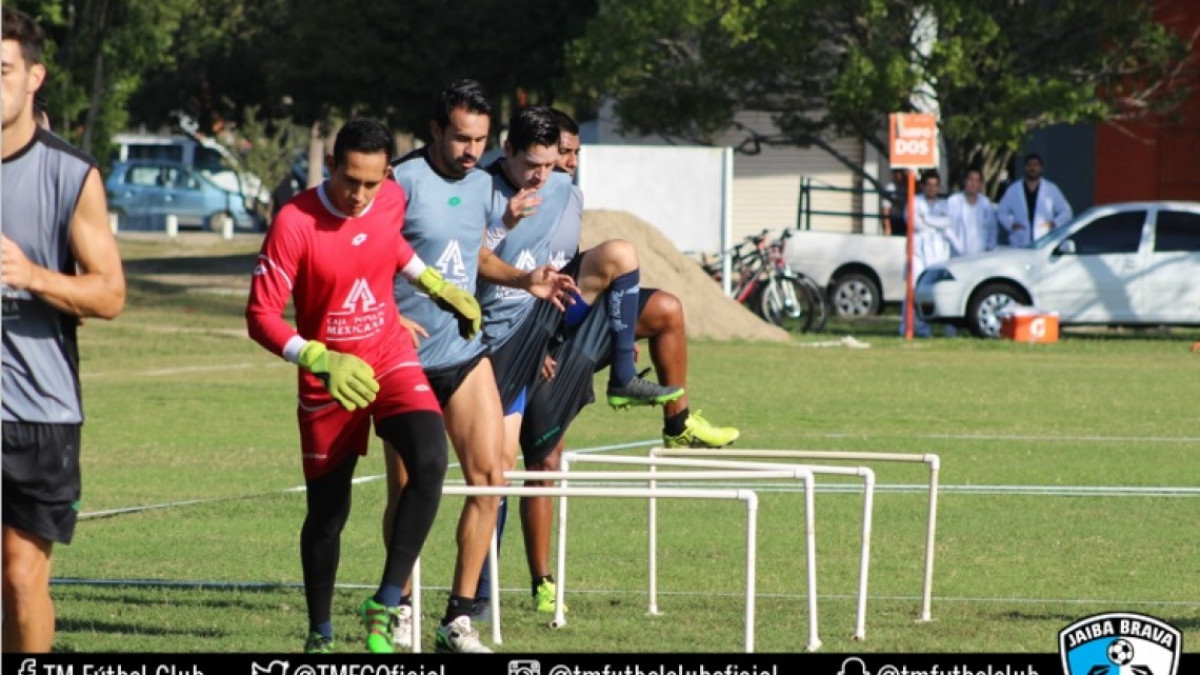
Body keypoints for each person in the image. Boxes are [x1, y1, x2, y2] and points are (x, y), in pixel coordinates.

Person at [246, 118, 480, 654]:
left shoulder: (391, 199)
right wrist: (317, 356)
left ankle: (387, 598)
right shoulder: (294, 221)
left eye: (371, 183)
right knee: (329, 515)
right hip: (329, 377)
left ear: (387, 175)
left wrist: (437, 285)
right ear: (331, 166)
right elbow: (260, 316)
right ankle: (320, 632)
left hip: (389, 356)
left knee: (428, 459)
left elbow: (389, 246)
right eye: (349, 179)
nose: (359, 195)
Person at [493, 108, 738, 615]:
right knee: (542, 463)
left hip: (573, 327)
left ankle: (677, 423)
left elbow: (573, 274)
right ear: (526, 156)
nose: (571, 162)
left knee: (667, 309)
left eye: (576, 153)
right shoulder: (504, 199)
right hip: (531, 344)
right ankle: (535, 582)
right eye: (565, 153)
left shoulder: (569, 194)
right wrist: (533, 346)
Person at [384, 81, 579, 654]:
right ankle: (399, 605)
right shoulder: (400, 181)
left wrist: (525, 280)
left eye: (481, 140)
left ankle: (456, 620)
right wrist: (388, 315)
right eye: (462, 138)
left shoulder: (483, 186)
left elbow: (479, 254)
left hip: (463, 354)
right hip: (403, 360)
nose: (472, 151)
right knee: (407, 490)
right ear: (437, 129)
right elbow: (367, 252)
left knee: (490, 479)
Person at [1, 7, 127, 653]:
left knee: (21, 578)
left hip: (41, 412)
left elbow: (109, 293)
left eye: (1, 71)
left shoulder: (71, 173)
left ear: (33, 78)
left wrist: (31, 274)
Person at [901, 170, 954, 338]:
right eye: (928, 185)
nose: (932, 188)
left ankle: (928, 328)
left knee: (934, 291)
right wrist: (933, 222)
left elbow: (947, 222)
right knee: (913, 290)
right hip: (918, 253)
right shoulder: (914, 202)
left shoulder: (944, 204)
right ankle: (908, 326)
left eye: (935, 185)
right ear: (923, 186)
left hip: (937, 254)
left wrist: (927, 219)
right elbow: (914, 223)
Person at [996, 153, 1072, 248]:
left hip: (1044, 240)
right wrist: (1011, 225)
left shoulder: (1051, 189)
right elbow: (1001, 212)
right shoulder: (1014, 189)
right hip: (1020, 242)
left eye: (1036, 165)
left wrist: (1054, 223)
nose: (1032, 168)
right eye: (1029, 165)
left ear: (1041, 168)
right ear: (1025, 168)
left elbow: (1066, 211)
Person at [945, 168, 998, 258]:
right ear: (965, 181)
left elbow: (992, 228)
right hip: (958, 254)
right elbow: (947, 227)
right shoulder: (954, 201)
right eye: (970, 180)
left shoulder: (985, 203)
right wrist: (958, 246)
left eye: (977, 181)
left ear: (980, 184)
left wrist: (989, 248)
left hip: (981, 255)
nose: (973, 184)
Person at [880, 168, 910, 237]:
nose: (899, 176)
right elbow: (886, 209)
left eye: (901, 173)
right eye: (897, 173)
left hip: (906, 221)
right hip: (895, 220)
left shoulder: (908, 187)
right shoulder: (890, 187)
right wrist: (887, 227)